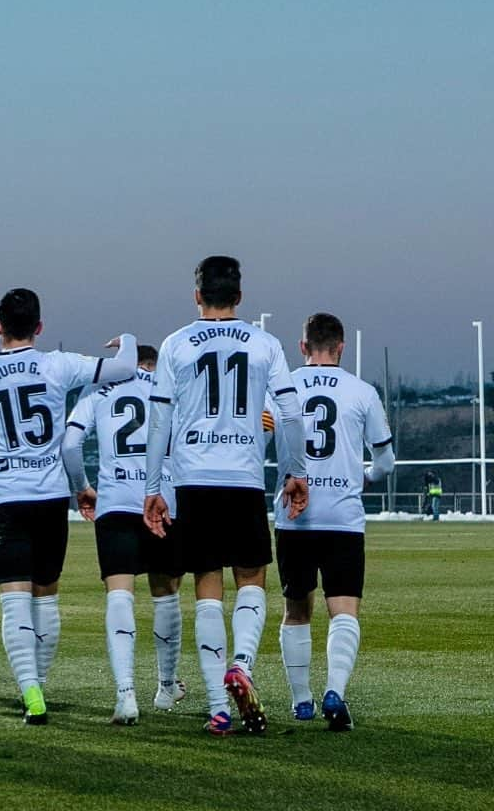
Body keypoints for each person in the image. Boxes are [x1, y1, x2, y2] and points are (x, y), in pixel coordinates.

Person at [0, 287, 136, 725]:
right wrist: (126, 338)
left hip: (3, 500)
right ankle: (40, 682)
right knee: (46, 598)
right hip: (50, 497)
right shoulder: (58, 364)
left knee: (13, 600)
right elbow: (126, 367)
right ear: (39, 327)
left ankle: (30, 690)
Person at [143, 256, 308, 736]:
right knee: (252, 576)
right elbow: (291, 414)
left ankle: (218, 705)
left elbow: (159, 423)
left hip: (194, 479)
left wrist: (154, 487)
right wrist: (295, 471)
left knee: (207, 583)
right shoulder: (264, 343)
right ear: (239, 296)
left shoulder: (176, 344)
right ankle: (242, 662)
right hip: (243, 478)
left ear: (197, 296)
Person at [274, 313, 395, 731]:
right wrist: (365, 476)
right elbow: (386, 462)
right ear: (341, 347)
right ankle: (335, 692)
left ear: (302, 346)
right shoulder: (362, 392)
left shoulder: (282, 386)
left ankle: (301, 699)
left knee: (296, 609)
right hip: (343, 517)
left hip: (294, 516)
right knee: (343, 608)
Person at [61, 343, 187, 725]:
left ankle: (125, 695)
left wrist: (81, 486)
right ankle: (166, 687)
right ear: (154, 365)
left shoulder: (99, 391)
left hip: (114, 503)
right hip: (162, 501)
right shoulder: (170, 389)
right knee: (166, 594)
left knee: (119, 595)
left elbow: (70, 443)